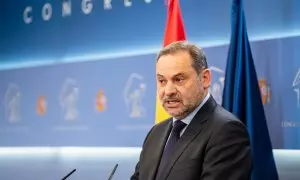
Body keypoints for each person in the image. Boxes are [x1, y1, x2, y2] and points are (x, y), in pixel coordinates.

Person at [130, 41, 252, 180]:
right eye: (162, 81)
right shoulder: (156, 133)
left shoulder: (227, 131)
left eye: (179, 79)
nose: (168, 91)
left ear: (205, 79)